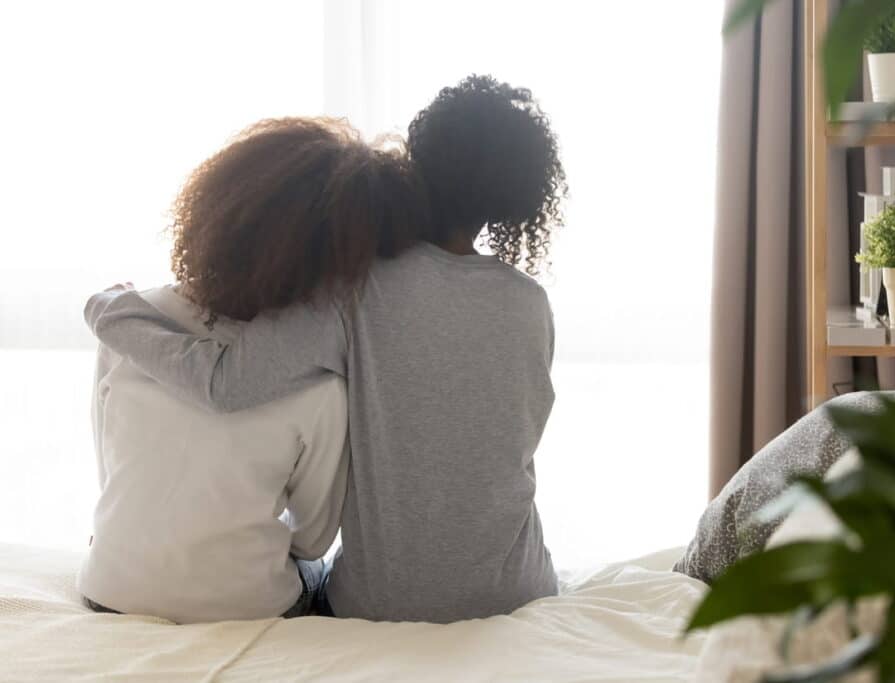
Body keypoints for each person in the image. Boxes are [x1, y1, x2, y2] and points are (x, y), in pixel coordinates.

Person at [83, 75, 569, 623]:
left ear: (419, 160)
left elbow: (225, 384)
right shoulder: (532, 304)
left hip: (381, 603)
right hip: (521, 591)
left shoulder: (356, 288)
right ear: (518, 196)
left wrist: (109, 312)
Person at [79, 117, 426, 623]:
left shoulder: (128, 326)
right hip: (247, 607)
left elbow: (110, 469)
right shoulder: (321, 384)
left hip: (109, 588)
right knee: (320, 576)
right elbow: (312, 539)